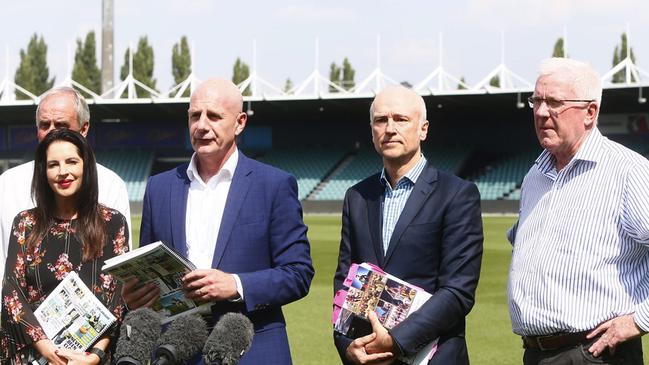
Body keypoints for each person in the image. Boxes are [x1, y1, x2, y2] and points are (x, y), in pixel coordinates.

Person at [123, 78, 314, 364]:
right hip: (176, 351)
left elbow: (298, 273)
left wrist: (236, 285)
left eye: (213, 116)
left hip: (252, 349)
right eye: (194, 116)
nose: (201, 125)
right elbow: (151, 271)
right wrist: (138, 295)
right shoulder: (159, 188)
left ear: (239, 123)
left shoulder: (273, 185)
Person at [507, 57, 649, 365]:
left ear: (590, 112)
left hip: (596, 354)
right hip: (535, 353)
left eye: (555, 102)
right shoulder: (535, 176)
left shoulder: (627, 171)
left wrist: (640, 320)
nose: (542, 112)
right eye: (537, 100)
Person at [333, 86, 484, 365]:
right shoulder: (357, 196)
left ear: (423, 129)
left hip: (433, 357)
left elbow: (458, 291)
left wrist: (396, 340)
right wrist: (347, 345)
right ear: (372, 130)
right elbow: (346, 281)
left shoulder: (456, 194)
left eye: (401, 119)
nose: (389, 128)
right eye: (381, 120)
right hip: (369, 358)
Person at [1, 129, 129, 365]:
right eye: (53, 165)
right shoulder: (26, 223)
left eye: (72, 162)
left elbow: (119, 296)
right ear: (43, 171)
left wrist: (96, 355)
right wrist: (44, 346)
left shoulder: (113, 223)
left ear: (86, 166)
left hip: (92, 358)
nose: (63, 172)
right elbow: (11, 290)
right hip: (34, 355)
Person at [0, 87, 131, 291]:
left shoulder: (111, 184)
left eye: (61, 124)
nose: (52, 131)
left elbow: (118, 271)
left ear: (84, 128)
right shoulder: (8, 183)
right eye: (45, 125)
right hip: (24, 316)